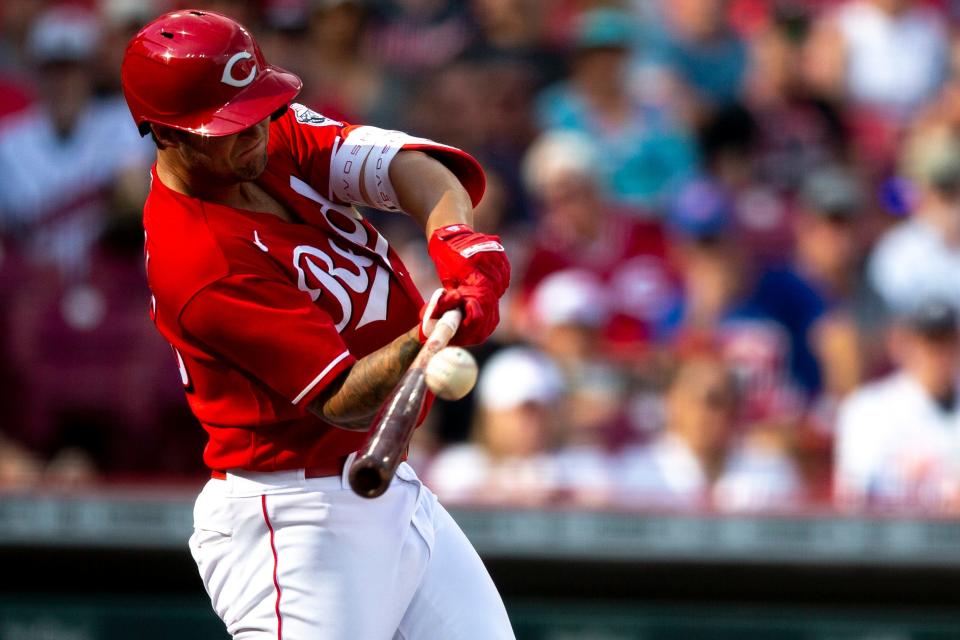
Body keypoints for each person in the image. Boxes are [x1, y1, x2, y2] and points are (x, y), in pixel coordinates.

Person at [120, 10, 513, 640]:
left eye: (256, 111)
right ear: (169, 136)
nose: (255, 132)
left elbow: (408, 168)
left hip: (389, 488)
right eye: (231, 125)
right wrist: (425, 331)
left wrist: (455, 238)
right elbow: (343, 400)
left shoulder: (266, 135)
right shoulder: (197, 261)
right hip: (296, 521)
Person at [835, 299, 960, 511]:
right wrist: (938, 489)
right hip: (894, 539)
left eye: (948, 342)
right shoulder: (869, 407)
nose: (938, 354)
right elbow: (857, 491)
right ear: (905, 344)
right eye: (930, 342)